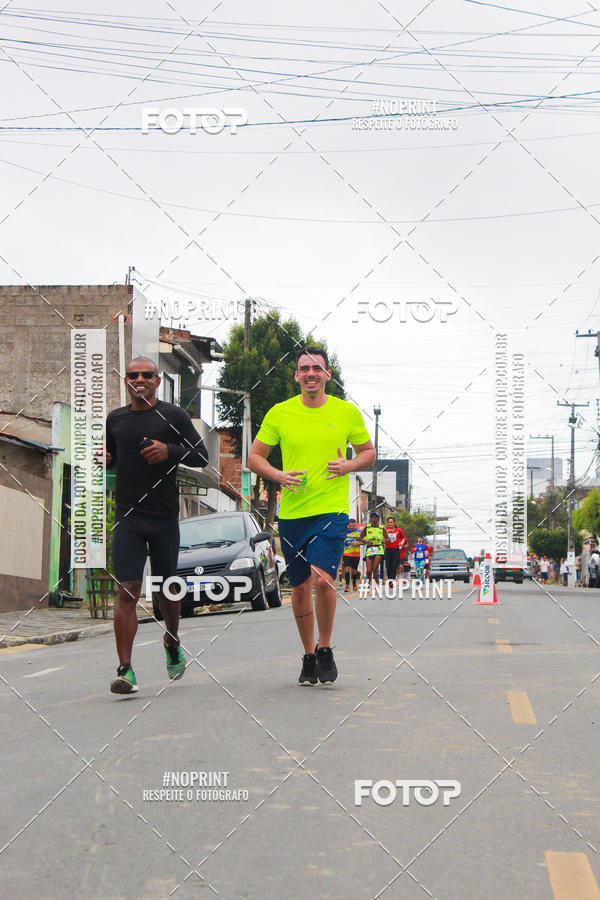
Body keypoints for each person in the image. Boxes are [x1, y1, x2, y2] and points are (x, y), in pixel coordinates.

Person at [248, 346, 375, 685]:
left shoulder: (346, 412)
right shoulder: (280, 413)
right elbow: (254, 457)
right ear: (296, 375)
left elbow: (368, 452)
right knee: (301, 587)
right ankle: (307, 653)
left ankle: (326, 648)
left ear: (327, 375)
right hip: (292, 514)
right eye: (304, 368)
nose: (310, 374)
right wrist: (277, 475)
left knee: (322, 578)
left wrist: (349, 465)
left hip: (331, 510)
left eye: (317, 368)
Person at [102, 357, 208, 694]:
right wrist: (106, 461)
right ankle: (125, 669)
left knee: (167, 589)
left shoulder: (173, 416)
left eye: (146, 375)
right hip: (128, 518)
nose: (139, 380)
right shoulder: (115, 419)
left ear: (157, 381)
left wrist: (170, 450)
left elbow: (201, 456)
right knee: (127, 589)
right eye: (132, 375)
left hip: (163, 518)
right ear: (126, 381)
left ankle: (172, 639)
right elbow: (114, 460)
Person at [361, 512, 387, 584]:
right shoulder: (367, 527)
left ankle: (377, 583)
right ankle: (368, 582)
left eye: (375, 517)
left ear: (378, 519)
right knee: (369, 570)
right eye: (372, 517)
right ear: (370, 519)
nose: (373, 519)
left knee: (375, 568)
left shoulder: (381, 528)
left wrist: (384, 540)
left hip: (378, 549)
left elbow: (387, 539)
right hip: (370, 549)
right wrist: (367, 541)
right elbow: (360, 538)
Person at [342, 517, 364, 592]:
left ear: (355, 525)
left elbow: (364, 542)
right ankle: (347, 585)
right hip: (346, 553)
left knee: (354, 571)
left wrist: (357, 543)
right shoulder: (344, 532)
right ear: (348, 525)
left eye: (353, 526)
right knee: (347, 569)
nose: (352, 527)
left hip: (356, 554)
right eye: (350, 526)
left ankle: (354, 583)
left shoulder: (359, 532)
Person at [383, 516, 405, 584]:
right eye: (389, 522)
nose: (390, 524)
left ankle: (392, 580)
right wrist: (386, 534)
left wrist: (401, 543)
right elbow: (383, 540)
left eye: (391, 522)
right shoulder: (385, 530)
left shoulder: (399, 530)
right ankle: (390, 580)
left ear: (394, 523)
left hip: (396, 550)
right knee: (388, 566)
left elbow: (403, 538)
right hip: (388, 549)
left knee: (394, 565)